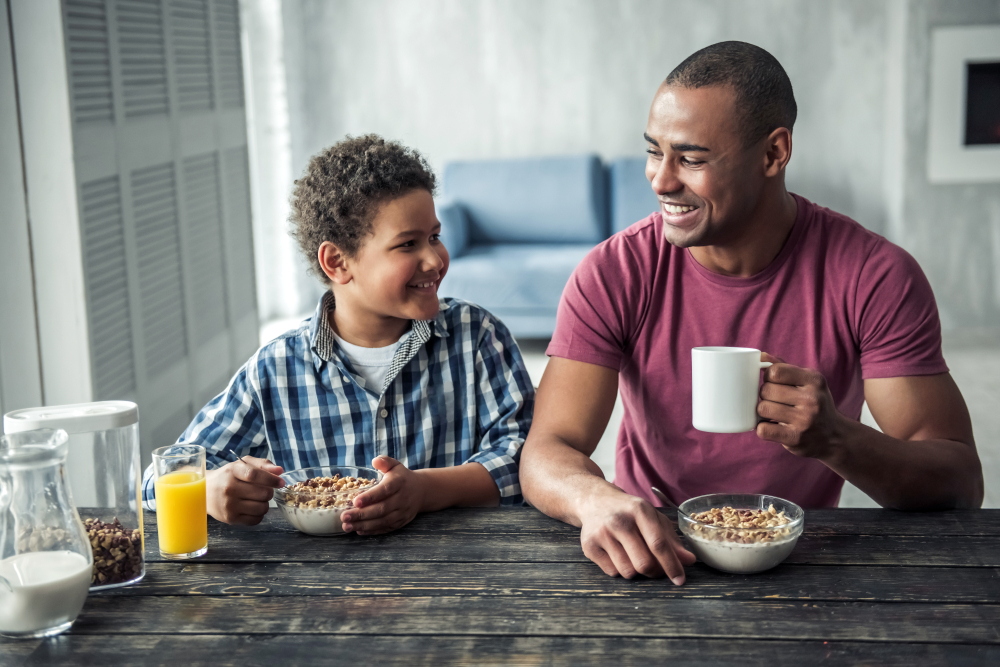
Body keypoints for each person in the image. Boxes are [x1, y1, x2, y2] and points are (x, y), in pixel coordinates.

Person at [519, 41, 983, 585]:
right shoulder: (615, 271)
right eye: (654, 151)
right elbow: (546, 452)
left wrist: (836, 438)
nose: (661, 180)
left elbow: (959, 482)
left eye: (691, 159)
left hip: (801, 562)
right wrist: (593, 499)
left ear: (773, 154)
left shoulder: (874, 276)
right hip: (654, 555)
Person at [141, 135, 534, 534]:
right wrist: (209, 488)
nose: (434, 259)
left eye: (434, 237)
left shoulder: (477, 337)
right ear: (337, 262)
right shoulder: (274, 370)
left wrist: (425, 491)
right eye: (408, 244)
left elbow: (526, 459)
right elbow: (155, 483)